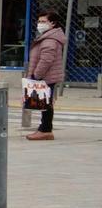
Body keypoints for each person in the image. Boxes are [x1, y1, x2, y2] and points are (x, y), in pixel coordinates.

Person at [27, 8, 70, 141]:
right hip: (47, 76)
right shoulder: (48, 37)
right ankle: (44, 129)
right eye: (39, 21)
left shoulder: (50, 40)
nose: (40, 24)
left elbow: (46, 60)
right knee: (46, 103)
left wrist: (36, 75)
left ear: (53, 23)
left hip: (46, 77)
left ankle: (45, 130)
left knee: (46, 104)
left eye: (43, 21)